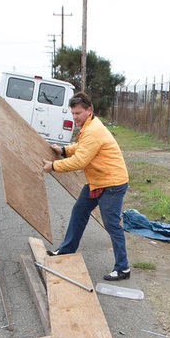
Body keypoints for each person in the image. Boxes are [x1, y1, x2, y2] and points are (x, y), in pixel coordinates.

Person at [42, 91, 131, 281]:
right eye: (72, 113)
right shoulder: (88, 126)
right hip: (98, 182)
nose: (74, 117)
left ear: (89, 110)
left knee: (112, 225)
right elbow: (82, 147)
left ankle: (123, 268)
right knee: (79, 211)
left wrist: (54, 166)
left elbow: (80, 161)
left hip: (112, 184)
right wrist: (64, 150)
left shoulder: (93, 130)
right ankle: (66, 250)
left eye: (78, 113)